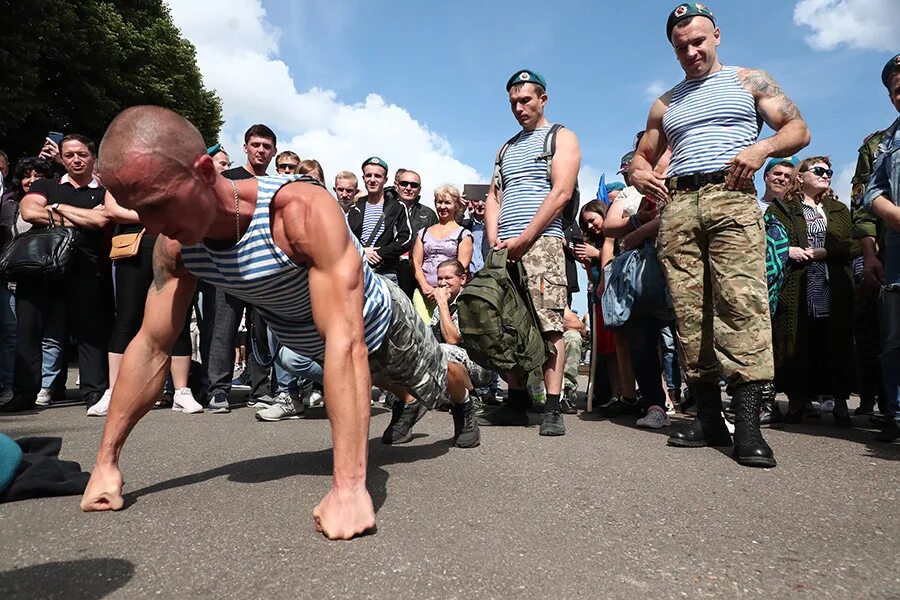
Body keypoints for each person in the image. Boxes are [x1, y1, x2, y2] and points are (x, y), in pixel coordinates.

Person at [78, 106, 481, 541]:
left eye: (159, 204)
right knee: (388, 386)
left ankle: (463, 394)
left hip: (382, 326)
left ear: (202, 171)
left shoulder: (298, 211)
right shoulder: (176, 246)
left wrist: (348, 489)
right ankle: (405, 395)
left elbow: (347, 343)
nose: (153, 225)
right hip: (319, 345)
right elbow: (152, 346)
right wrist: (106, 463)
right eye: (139, 210)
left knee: (436, 383)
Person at [629, 3, 810, 468]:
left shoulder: (749, 81)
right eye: (681, 46)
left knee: (740, 303)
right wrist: (638, 171)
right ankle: (708, 417)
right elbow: (643, 154)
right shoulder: (665, 102)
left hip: (730, 196)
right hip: (679, 205)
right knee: (690, 315)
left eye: (698, 41)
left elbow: (798, 128)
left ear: (717, 36)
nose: (691, 51)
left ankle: (746, 425)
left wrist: (762, 148)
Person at [482, 69, 581, 437]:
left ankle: (552, 406)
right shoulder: (505, 148)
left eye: (525, 100)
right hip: (505, 246)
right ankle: (517, 401)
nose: (519, 108)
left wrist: (525, 237)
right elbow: (494, 195)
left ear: (543, 98)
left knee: (548, 323)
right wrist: (495, 238)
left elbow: (561, 193)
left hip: (542, 244)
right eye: (513, 103)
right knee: (508, 324)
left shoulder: (561, 137)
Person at [3, 135, 114, 413]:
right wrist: (80, 219)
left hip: (86, 269)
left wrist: (56, 208)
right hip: (40, 268)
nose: (75, 160)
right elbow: (28, 211)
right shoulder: (45, 184)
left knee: (90, 333)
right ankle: (24, 393)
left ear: (93, 157)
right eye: (69, 155)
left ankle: (93, 392)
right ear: (61, 159)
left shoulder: (104, 191)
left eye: (82, 154)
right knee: (28, 332)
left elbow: (102, 220)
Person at [85, 187, 202, 417]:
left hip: (174, 245)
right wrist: (157, 217)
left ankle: (181, 391)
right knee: (126, 318)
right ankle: (113, 391)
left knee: (177, 318)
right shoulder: (122, 172)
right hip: (133, 246)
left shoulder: (175, 170)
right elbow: (112, 209)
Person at [767, 157, 858, 427]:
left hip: (832, 287)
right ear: (801, 176)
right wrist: (789, 251)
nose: (826, 175)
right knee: (797, 342)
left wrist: (827, 251)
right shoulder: (782, 208)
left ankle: (840, 404)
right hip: (798, 285)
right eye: (819, 171)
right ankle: (796, 402)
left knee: (836, 342)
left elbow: (853, 245)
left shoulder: (838, 209)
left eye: (829, 171)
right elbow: (768, 239)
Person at [206, 124, 279, 412]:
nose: (261, 150)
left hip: (263, 269)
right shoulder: (226, 179)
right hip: (229, 267)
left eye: (266, 146)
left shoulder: (275, 185)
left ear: (273, 151)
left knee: (259, 331)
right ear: (245, 147)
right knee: (223, 330)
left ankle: (259, 389)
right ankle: (218, 391)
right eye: (256, 144)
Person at [862, 53, 900, 442]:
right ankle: (897, 413)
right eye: (895, 88)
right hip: (896, 243)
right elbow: (871, 192)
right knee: (894, 337)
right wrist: (892, 215)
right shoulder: (885, 142)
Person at [411, 184, 473, 321]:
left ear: (456, 206)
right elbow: (416, 262)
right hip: (424, 294)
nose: (442, 207)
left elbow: (461, 267)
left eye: (447, 203)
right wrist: (425, 287)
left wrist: (443, 291)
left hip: (450, 296)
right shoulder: (423, 233)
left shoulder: (464, 234)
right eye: (439, 202)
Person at [347, 157, 413, 284]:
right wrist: (363, 251)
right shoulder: (355, 209)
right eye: (368, 175)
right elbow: (344, 240)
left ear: (385, 180)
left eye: (377, 176)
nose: (372, 180)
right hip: (357, 272)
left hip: (386, 273)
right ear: (363, 179)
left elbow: (406, 238)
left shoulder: (397, 207)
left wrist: (380, 253)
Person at [395, 169, 438, 298]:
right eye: (404, 184)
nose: (408, 188)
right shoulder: (384, 209)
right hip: (390, 269)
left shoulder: (428, 213)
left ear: (419, 189)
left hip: (418, 273)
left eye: (414, 185)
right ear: (396, 185)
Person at [461, 184, 490, 274]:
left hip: (489, 276)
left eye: (484, 200)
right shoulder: (464, 225)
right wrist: (460, 209)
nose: (480, 204)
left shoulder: (497, 226)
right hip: (469, 276)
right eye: (476, 200)